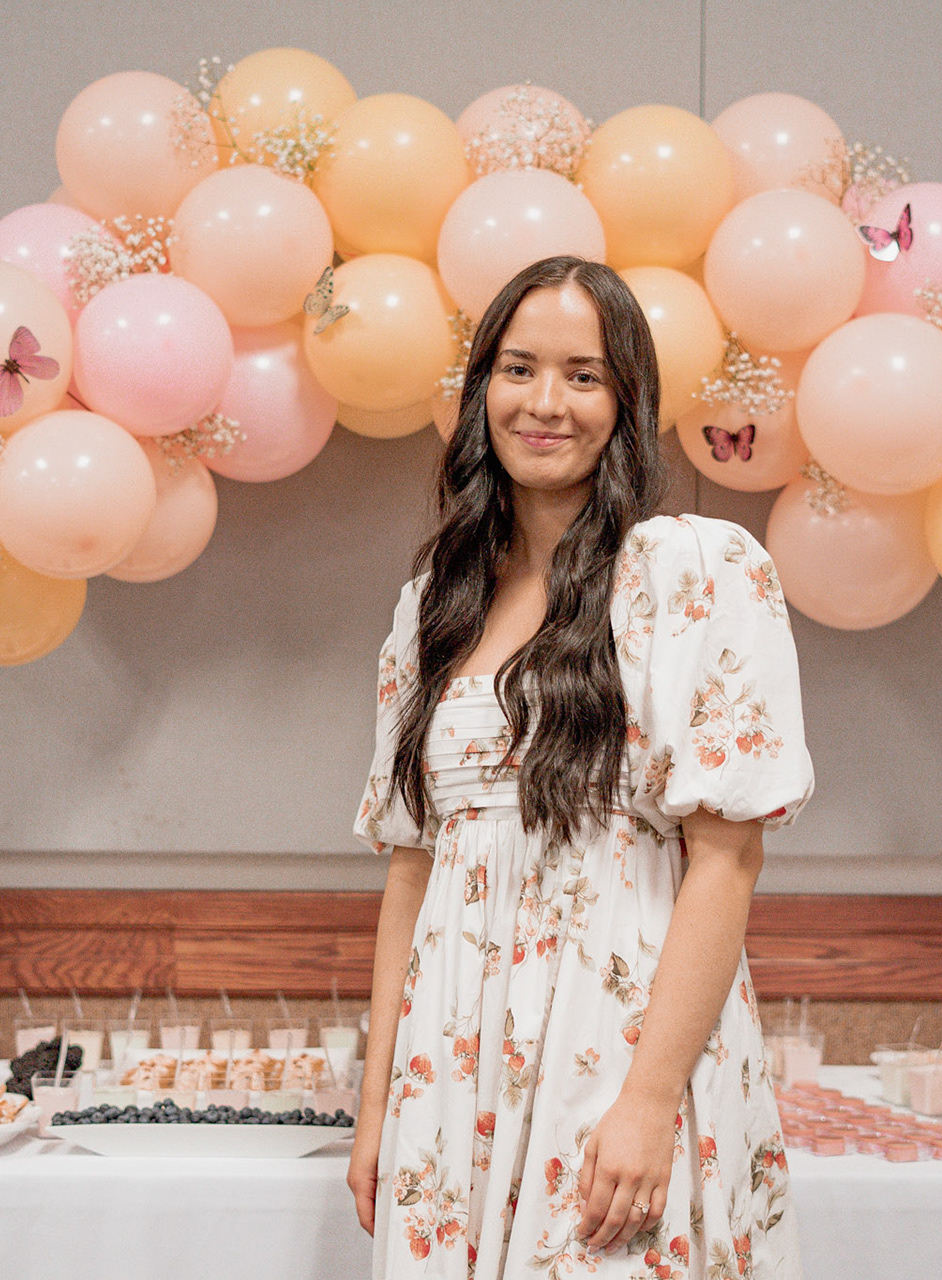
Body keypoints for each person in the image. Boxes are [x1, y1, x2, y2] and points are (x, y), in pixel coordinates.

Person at [349, 255, 813, 1279]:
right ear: (483, 388)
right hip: (451, 1061)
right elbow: (412, 867)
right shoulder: (435, 603)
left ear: (628, 400)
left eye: (583, 374)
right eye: (518, 369)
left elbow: (727, 861)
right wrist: (378, 1103)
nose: (545, 402)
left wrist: (648, 1100)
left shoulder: (692, 570)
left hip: (620, 1047)